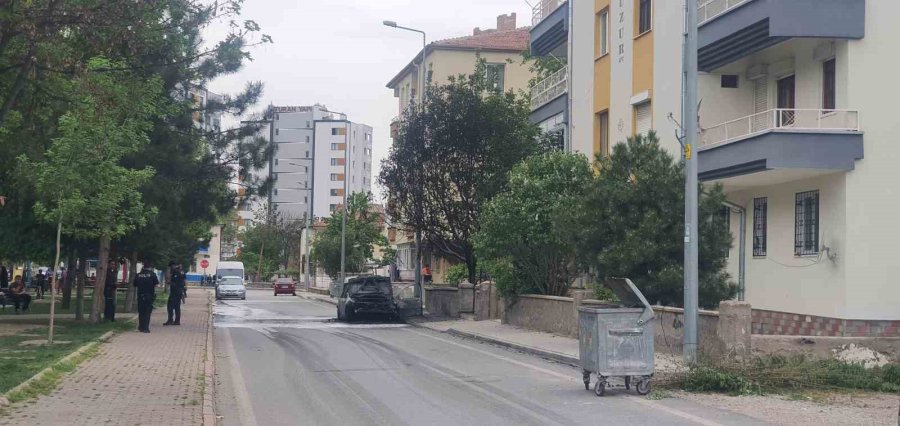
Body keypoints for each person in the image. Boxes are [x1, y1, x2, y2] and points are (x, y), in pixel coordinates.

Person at [134, 263, 159, 333]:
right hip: (149, 295)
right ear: (150, 267)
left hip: (140, 295)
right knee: (147, 311)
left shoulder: (138, 275)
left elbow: (135, 284)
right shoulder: (153, 274)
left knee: (141, 311)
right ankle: (146, 328)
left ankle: (141, 327)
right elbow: (156, 284)